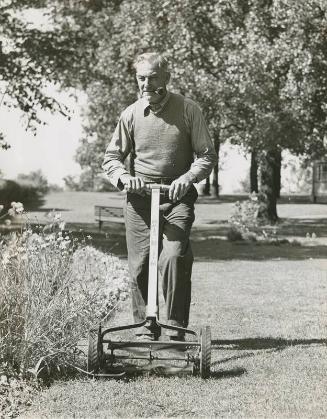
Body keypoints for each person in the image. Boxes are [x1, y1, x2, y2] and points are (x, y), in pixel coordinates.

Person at [102, 52, 216, 341]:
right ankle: (145, 327)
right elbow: (112, 158)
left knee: (175, 256)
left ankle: (176, 325)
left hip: (177, 194)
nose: (146, 83)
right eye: (141, 77)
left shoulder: (189, 110)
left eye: (153, 77)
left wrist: (188, 177)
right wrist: (126, 178)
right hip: (140, 197)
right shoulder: (130, 114)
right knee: (140, 263)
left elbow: (206, 155)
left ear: (166, 77)